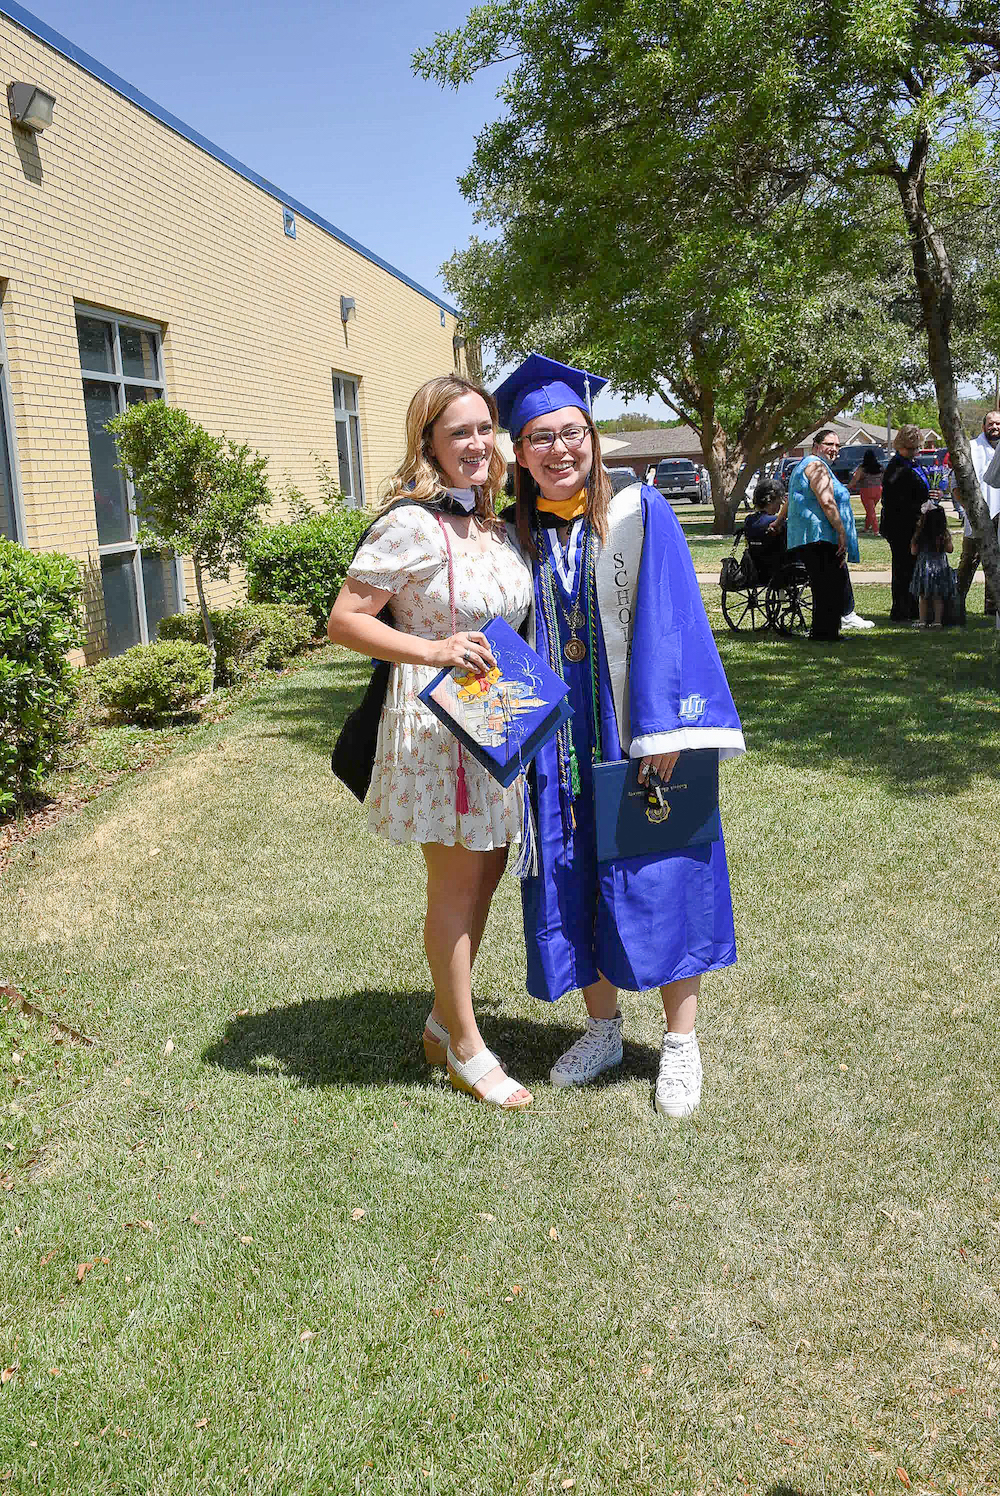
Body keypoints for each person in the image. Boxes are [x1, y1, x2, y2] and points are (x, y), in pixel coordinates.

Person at [494, 354, 745, 1120]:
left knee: (661, 869)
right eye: (541, 437)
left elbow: (673, 617)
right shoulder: (512, 535)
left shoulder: (641, 513)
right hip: (552, 746)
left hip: (632, 730)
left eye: (572, 433)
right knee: (567, 875)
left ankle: (680, 1043)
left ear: (594, 439)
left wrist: (664, 730)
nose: (559, 449)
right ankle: (602, 1029)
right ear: (521, 452)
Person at [327, 375, 534, 1110]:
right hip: (438, 727)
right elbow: (347, 621)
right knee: (455, 883)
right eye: (459, 433)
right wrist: (434, 649)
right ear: (430, 445)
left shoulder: (491, 524)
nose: (477, 444)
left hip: (497, 716)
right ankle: (468, 1049)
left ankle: (444, 1024)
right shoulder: (411, 524)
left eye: (485, 429)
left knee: (488, 873)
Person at [785, 431, 867, 640]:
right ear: (816, 445)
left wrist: (778, 522)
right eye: (829, 444)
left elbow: (791, 499)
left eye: (838, 445)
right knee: (827, 585)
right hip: (818, 535)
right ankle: (826, 634)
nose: (834, 449)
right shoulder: (817, 466)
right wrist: (841, 531)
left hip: (811, 536)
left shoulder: (803, 466)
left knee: (826, 584)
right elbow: (827, 502)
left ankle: (825, 631)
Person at [881, 425, 931, 621]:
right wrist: (919, 506)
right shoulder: (895, 468)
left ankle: (914, 608)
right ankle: (902, 610)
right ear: (900, 446)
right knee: (903, 568)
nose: (914, 452)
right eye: (910, 448)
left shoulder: (914, 464)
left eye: (917, 448)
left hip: (916, 523)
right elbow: (894, 501)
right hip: (900, 526)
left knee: (913, 567)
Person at [956, 411, 1000, 616]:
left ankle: (992, 608)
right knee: (968, 563)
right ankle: (955, 605)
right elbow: (955, 483)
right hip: (977, 518)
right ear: (983, 426)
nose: (995, 427)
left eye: (998, 423)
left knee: (996, 564)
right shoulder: (971, 448)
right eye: (991, 423)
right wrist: (968, 508)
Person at [909, 499, 956, 628]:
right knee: (938, 597)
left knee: (923, 596)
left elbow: (913, 551)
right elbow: (950, 549)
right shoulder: (943, 535)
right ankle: (937, 621)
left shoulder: (920, 534)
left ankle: (923, 620)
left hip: (924, 568)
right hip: (940, 567)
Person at [849, 448, 883, 535]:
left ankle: (876, 530)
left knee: (870, 511)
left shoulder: (862, 468)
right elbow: (883, 479)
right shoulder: (880, 467)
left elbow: (855, 480)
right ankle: (866, 527)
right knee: (870, 510)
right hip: (878, 490)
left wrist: (847, 487)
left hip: (866, 490)